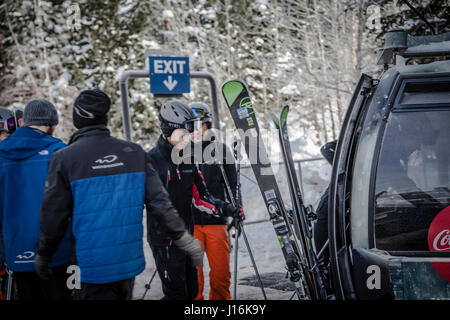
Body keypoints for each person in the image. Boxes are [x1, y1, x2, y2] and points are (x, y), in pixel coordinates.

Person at [35, 90, 203, 300]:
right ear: (105, 117)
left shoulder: (64, 158)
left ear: (78, 118)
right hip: (127, 263)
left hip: (88, 265)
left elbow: (54, 216)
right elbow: (160, 203)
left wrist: (44, 253)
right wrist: (183, 237)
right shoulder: (134, 153)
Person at [147, 101, 238, 300]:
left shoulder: (191, 158)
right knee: (178, 293)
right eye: (185, 131)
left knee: (194, 289)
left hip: (194, 233)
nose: (191, 135)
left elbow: (201, 195)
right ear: (171, 130)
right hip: (168, 240)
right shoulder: (152, 161)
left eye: (194, 129)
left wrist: (228, 208)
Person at [0, 100, 72, 300]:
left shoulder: (2, 154)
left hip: (16, 254)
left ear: (24, 122)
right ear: (52, 124)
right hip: (57, 255)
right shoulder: (61, 153)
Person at [189, 101, 243, 300]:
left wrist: (236, 208)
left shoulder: (220, 150)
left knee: (220, 273)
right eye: (191, 125)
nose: (195, 130)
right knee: (193, 275)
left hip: (216, 222)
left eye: (199, 125)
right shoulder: (181, 151)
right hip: (191, 223)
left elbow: (233, 185)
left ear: (207, 125)